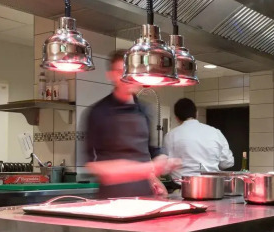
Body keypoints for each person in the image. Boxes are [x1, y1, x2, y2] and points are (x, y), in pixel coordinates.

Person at [83, 49, 178, 198]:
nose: (128, 77)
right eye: (121, 71)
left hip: (144, 196)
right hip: (112, 198)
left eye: (132, 71)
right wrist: (146, 168)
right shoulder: (98, 112)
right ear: (111, 75)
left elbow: (148, 151)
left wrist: (158, 168)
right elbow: (93, 166)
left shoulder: (145, 109)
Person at [163, 98, 234, 178]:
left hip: (181, 184)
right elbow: (227, 162)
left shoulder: (170, 136)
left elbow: (166, 165)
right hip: (211, 183)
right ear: (197, 113)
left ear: (177, 118)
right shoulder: (216, 132)